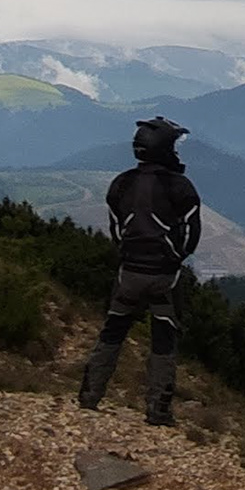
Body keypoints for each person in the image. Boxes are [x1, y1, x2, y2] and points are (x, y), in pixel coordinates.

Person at [77, 115, 204, 425]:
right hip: (164, 278)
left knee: (112, 332)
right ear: (164, 149)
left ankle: (89, 397)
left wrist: (127, 255)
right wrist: (176, 257)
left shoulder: (121, 183)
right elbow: (192, 232)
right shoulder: (180, 186)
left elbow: (116, 230)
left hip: (128, 275)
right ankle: (158, 410)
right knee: (164, 341)